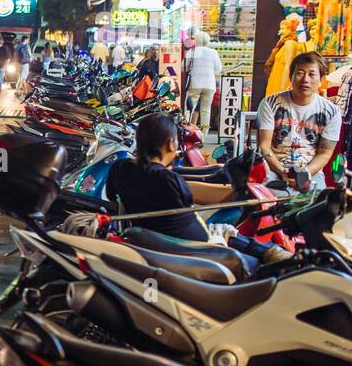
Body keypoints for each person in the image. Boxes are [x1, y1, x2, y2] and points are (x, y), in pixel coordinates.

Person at [107, 113, 290, 271]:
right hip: (190, 248)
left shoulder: (121, 169)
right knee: (235, 240)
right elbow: (198, 201)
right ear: (171, 144)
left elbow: (113, 194)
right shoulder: (168, 180)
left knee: (228, 233)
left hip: (152, 239)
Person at [257, 52, 341, 193]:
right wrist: (282, 171)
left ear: (321, 80)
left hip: (311, 171)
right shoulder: (270, 103)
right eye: (300, 73)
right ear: (291, 77)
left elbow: (325, 153)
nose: (305, 80)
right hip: (273, 168)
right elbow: (264, 146)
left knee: (319, 208)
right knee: (267, 206)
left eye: (312, 74)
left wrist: (305, 173)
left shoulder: (331, 111)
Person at [182, 32, 221, 134]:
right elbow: (218, 69)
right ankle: (204, 133)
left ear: (197, 40)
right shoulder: (213, 52)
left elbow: (183, 67)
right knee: (206, 110)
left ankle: (186, 130)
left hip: (195, 84)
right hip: (209, 84)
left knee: (189, 108)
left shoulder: (192, 51)